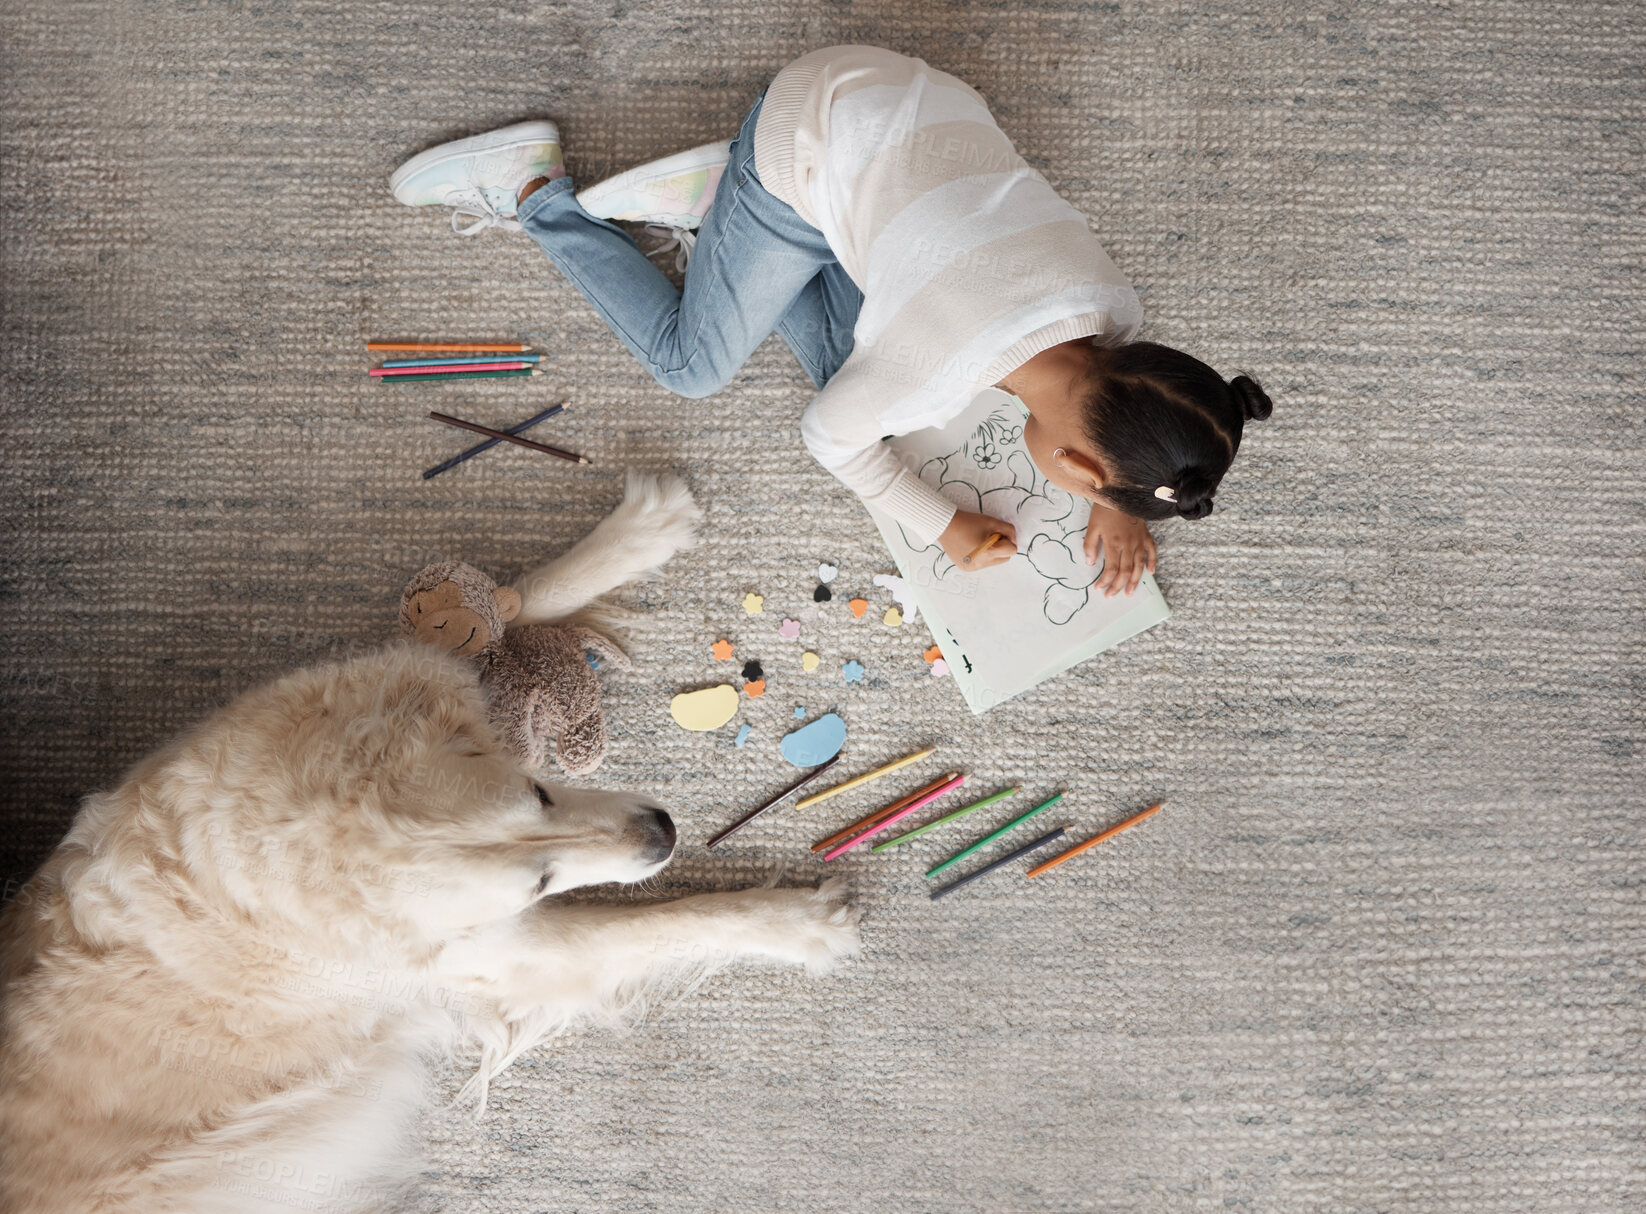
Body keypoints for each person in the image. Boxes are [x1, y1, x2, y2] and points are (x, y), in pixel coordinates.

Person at [389, 45, 1272, 596]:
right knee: (691, 367)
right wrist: (943, 524)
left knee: (851, 369)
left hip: (906, 95)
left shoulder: (1114, 304)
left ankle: (733, 225)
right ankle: (537, 191)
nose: (1070, 488)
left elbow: (1108, 415)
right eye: (1078, 488)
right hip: (802, 133)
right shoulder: (928, 378)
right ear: (1077, 466)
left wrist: (1125, 500)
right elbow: (831, 440)